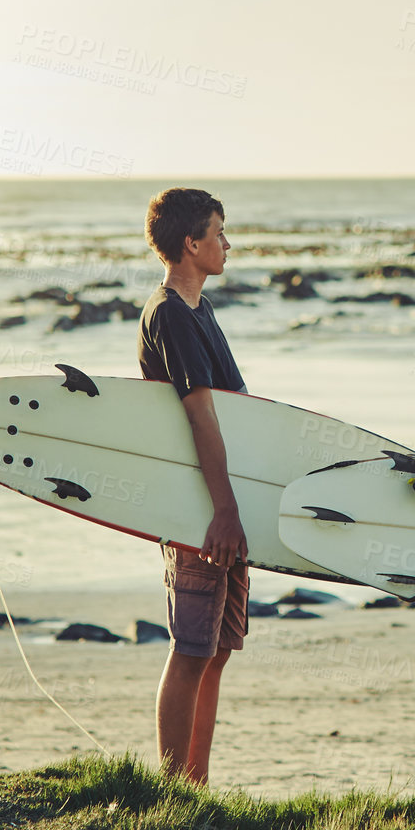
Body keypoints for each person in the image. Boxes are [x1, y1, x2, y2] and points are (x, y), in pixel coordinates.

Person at [138, 187, 248, 783]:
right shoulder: (171, 315)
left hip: (225, 500)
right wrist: (226, 510)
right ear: (192, 243)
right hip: (198, 508)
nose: (227, 244)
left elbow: (234, 407)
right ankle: (176, 789)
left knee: (219, 649)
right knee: (191, 651)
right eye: (220, 233)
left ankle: (196, 786)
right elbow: (200, 415)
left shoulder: (200, 310)